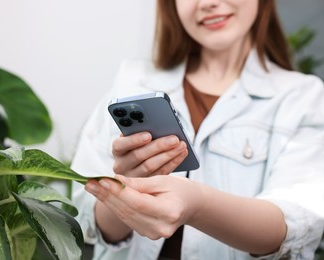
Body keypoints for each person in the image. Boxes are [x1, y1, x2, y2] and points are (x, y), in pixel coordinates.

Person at [71, 0, 324, 259]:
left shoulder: (302, 97)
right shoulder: (131, 79)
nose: (209, 3)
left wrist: (197, 205)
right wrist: (123, 188)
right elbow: (88, 219)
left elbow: (294, 225)